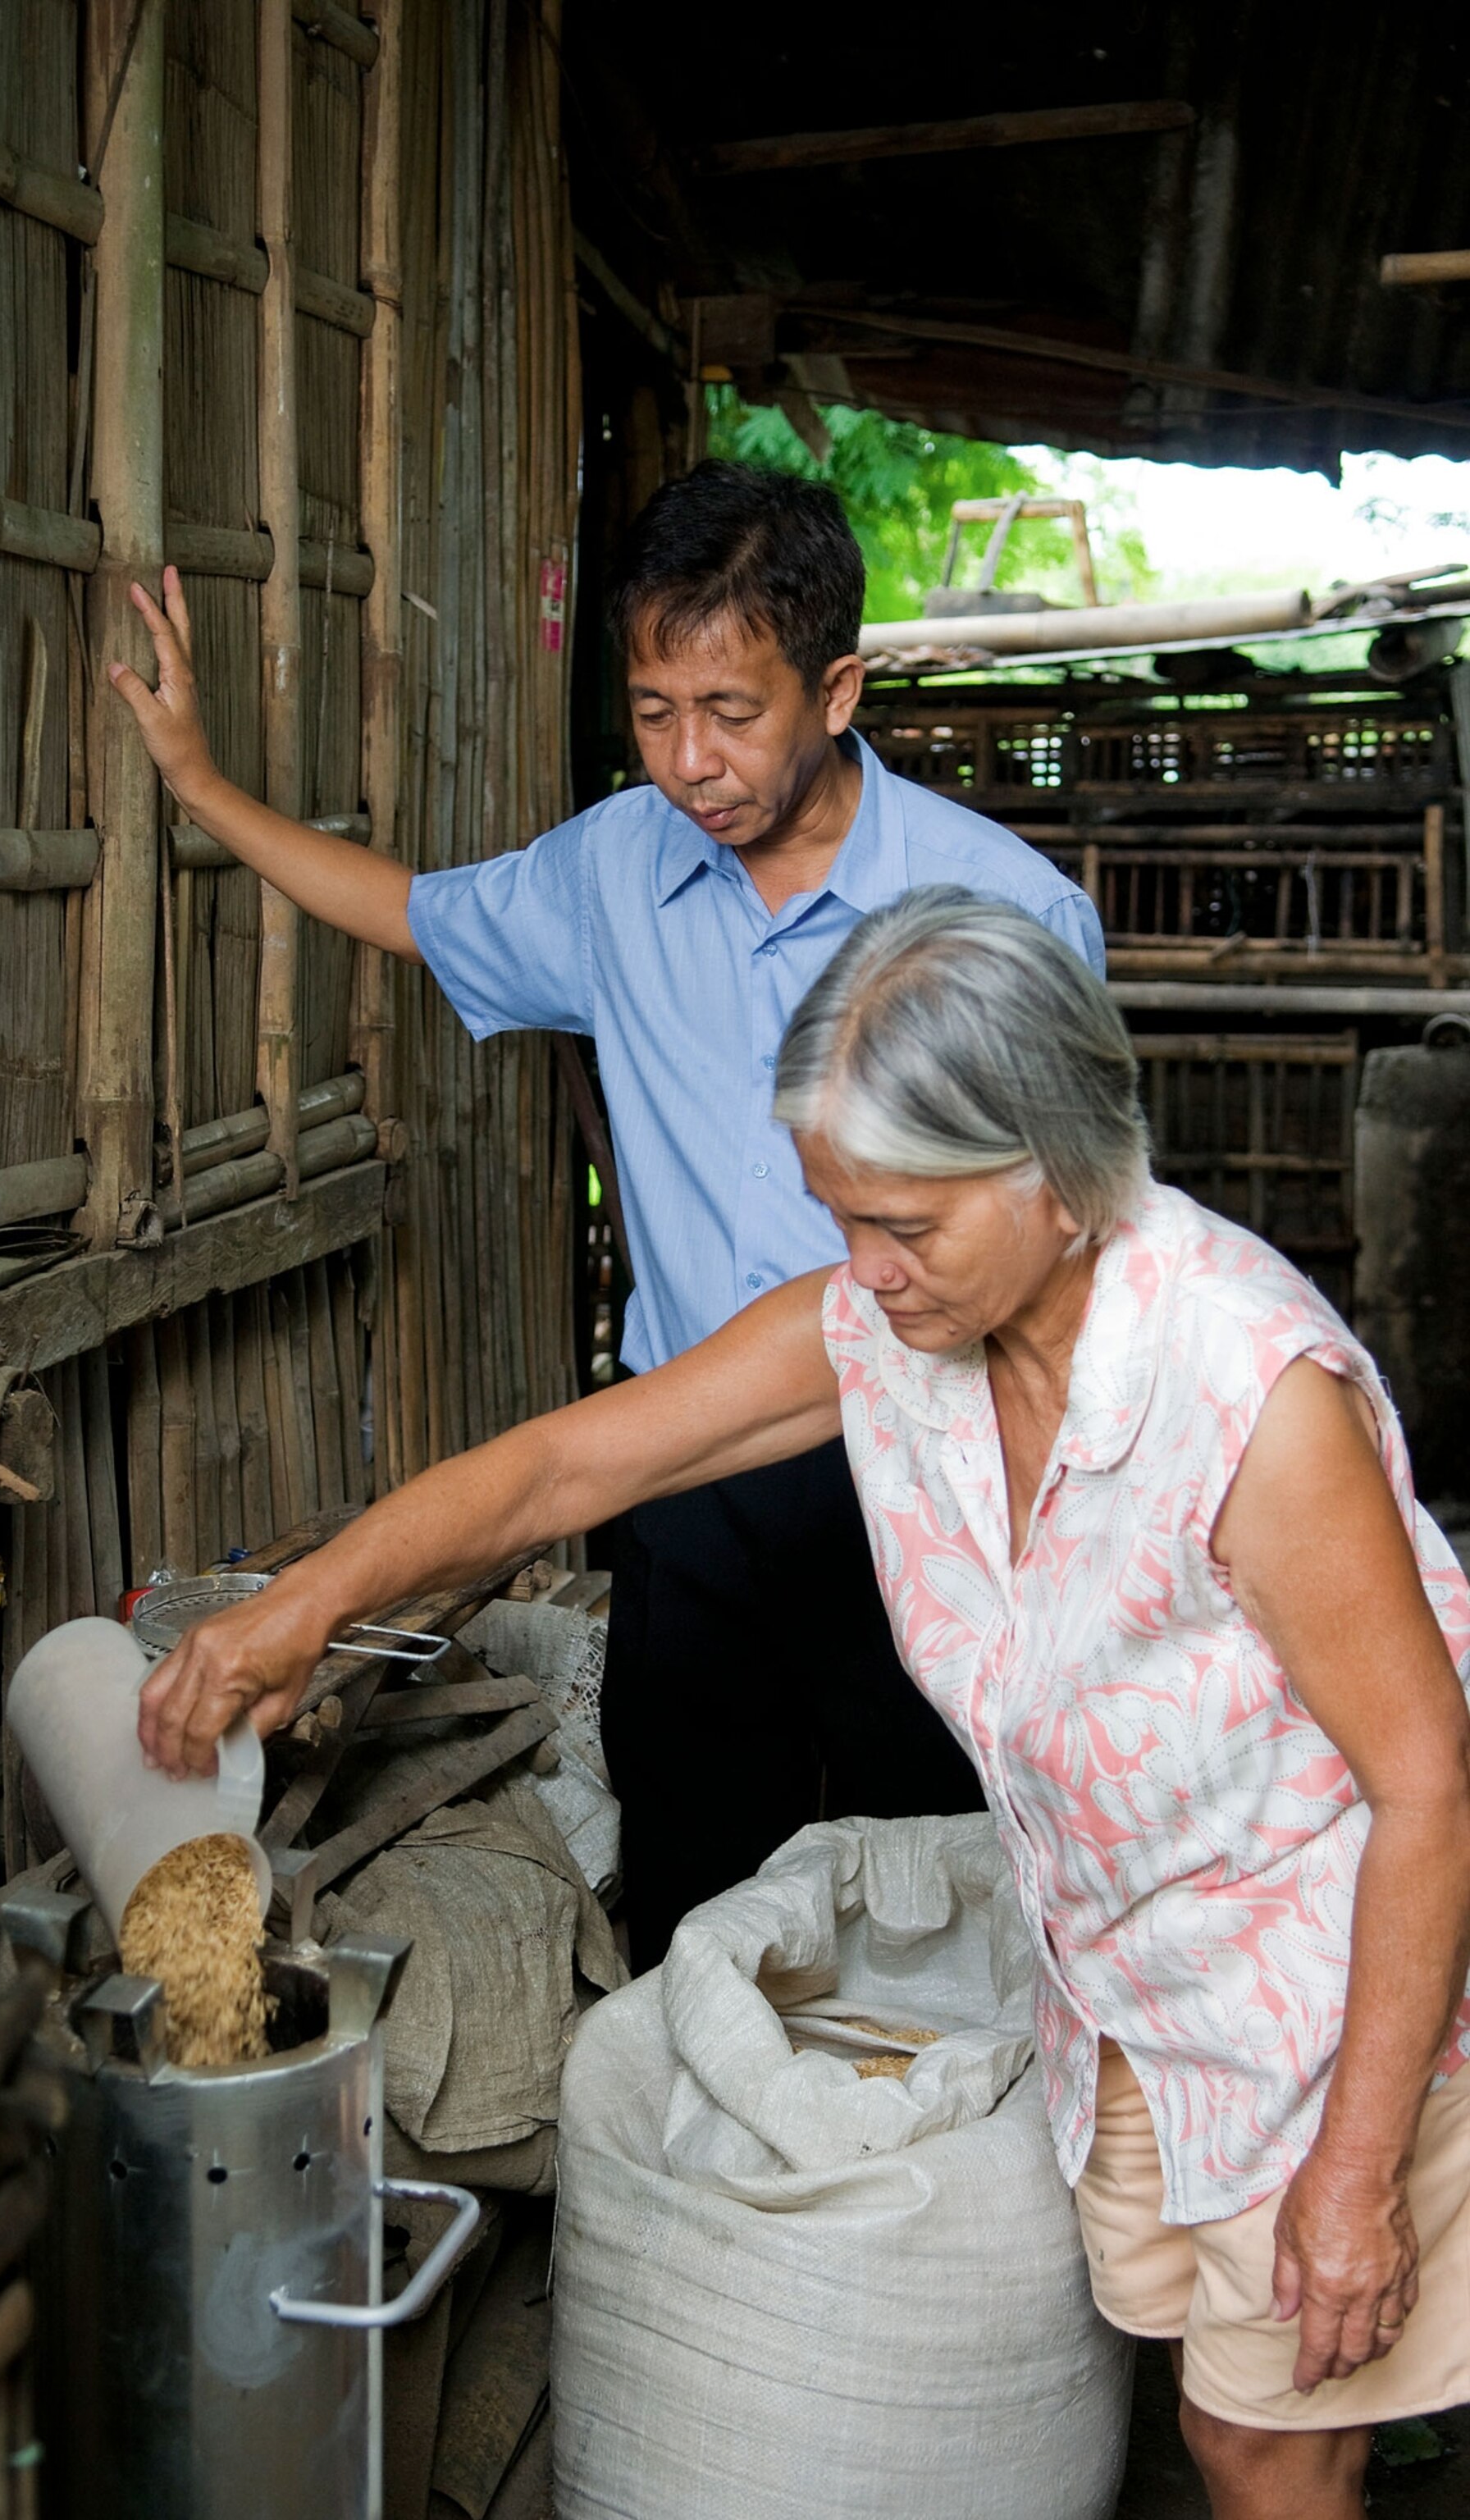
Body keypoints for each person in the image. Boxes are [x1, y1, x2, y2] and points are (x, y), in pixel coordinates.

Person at [139, 891, 1470, 2520]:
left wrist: (1352, 2174)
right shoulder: (901, 1327)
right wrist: (305, 1608)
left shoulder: (1248, 1403)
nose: (866, 1274)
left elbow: (1424, 1786)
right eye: (844, 1221)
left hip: (1314, 1992)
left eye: (905, 1224)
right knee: (1208, 2406)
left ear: (1055, 1177)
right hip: (1125, 1969)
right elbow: (574, 1461)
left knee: (1267, 2450)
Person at [112, 460, 1105, 1962]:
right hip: (686, 1484)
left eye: (733, 714)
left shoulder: (1003, 921)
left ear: (837, 690)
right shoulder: (614, 870)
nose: (691, 763)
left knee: (960, 1900)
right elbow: (413, 910)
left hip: (939, 1474)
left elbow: (1073, 1267)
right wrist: (199, 785)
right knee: (694, 1886)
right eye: (654, 715)